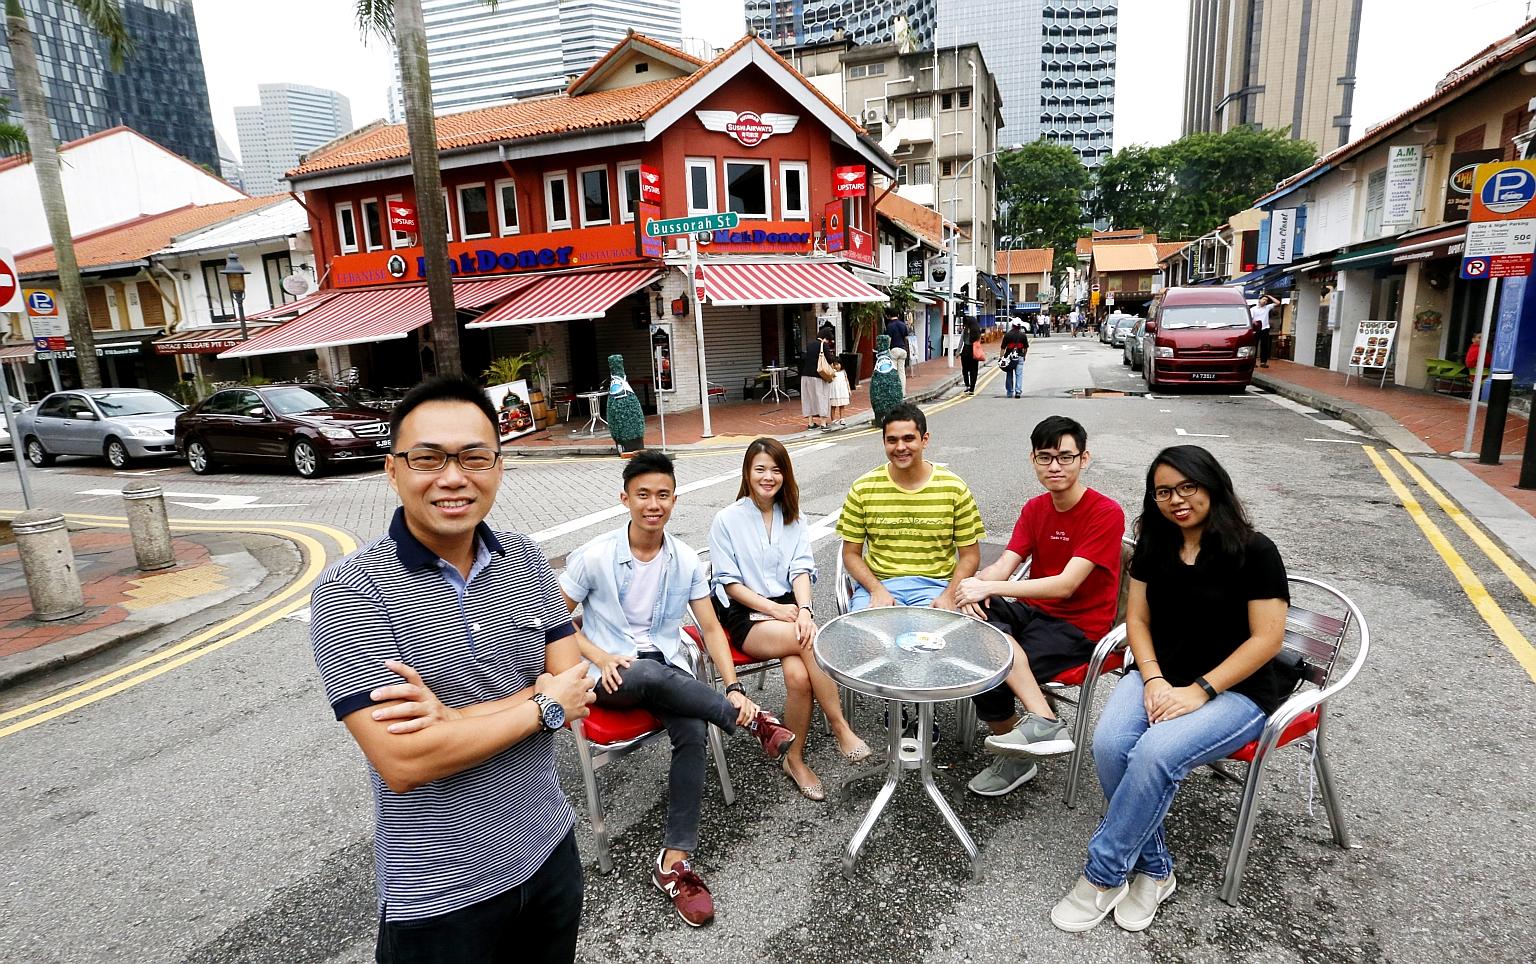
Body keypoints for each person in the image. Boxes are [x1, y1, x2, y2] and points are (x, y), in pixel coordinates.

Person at [308, 375, 598, 964]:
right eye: (427, 458)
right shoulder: (350, 587)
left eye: (473, 456)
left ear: (498, 464)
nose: (452, 476)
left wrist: (455, 720)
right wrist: (537, 703)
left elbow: (576, 691)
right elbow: (407, 760)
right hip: (437, 891)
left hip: (549, 852)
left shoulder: (526, 555)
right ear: (393, 471)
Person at [1050, 445, 1289, 933]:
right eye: (1163, 492)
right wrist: (1154, 677)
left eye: (1187, 487)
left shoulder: (1254, 550)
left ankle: (1103, 874)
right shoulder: (1155, 545)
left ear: (1212, 487)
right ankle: (1157, 870)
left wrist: (1200, 690)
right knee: (1111, 743)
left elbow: (1268, 638)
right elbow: (1137, 619)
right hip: (1160, 674)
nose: (1176, 500)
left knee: (1155, 752)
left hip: (1236, 691)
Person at [560, 450, 795, 928]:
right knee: (641, 671)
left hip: (664, 667)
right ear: (625, 498)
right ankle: (751, 722)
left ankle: (674, 863)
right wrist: (601, 656)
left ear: (674, 500)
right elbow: (553, 620)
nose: (654, 504)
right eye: (643, 495)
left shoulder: (684, 559)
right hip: (608, 674)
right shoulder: (596, 555)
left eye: (663, 495)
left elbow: (710, 630)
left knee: (689, 727)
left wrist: (732, 685)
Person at [953, 416, 1126, 797]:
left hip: (1081, 629)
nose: (1055, 467)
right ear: (1033, 459)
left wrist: (991, 586)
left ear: (1084, 459)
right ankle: (1034, 729)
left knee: (988, 661)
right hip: (1036, 613)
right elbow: (1005, 563)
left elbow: (1066, 586)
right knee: (972, 630)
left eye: (1065, 457)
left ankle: (1033, 736)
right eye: (1045, 457)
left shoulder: (1105, 513)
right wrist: (974, 588)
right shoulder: (1035, 509)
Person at [709, 438, 872, 800]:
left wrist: (805, 610)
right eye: (760, 469)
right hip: (746, 615)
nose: (769, 477)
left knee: (799, 676)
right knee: (810, 640)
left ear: (786, 474)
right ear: (748, 473)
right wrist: (778, 611)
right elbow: (731, 584)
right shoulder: (727, 519)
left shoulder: (793, 516)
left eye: (776, 469)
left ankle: (793, 759)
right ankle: (839, 725)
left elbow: (801, 571)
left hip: (787, 609)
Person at [839, 402, 985, 612]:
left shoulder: (954, 488)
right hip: (879, 586)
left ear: (924, 440)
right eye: (892, 440)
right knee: (865, 641)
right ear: (884, 442)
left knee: (935, 641)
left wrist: (950, 594)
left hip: (937, 586)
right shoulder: (863, 488)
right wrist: (876, 589)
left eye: (908, 438)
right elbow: (850, 554)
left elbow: (970, 555)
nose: (900, 447)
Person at [798, 329, 832, 430]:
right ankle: (823, 423)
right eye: (829, 340)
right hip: (818, 375)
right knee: (822, 397)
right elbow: (829, 359)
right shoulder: (823, 345)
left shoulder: (810, 344)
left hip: (805, 375)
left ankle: (810, 423)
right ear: (826, 338)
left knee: (808, 398)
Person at [1000, 318, 1030, 399]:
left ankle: (1009, 392)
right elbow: (1026, 348)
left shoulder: (1007, 335)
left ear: (1012, 325)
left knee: (1009, 374)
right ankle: (1018, 391)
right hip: (1019, 356)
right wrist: (1024, 356)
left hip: (1009, 358)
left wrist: (1001, 358)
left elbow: (1003, 348)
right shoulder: (1023, 335)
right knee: (1019, 375)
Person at [884, 311, 910, 393]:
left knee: (894, 372)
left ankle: (894, 392)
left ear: (888, 316)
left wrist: (887, 350)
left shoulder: (890, 326)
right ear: (898, 315)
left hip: (894, 350)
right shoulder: (903, 324)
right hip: (903, 350)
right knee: (901, 372)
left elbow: (889, 339)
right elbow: (906, 338)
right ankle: (903, 392)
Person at [1252, 295, 1277, 368]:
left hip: (1265, 328)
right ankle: (1253, 362)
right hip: (1256, 329)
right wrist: (1254, 323)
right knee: (1255, 346)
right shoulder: (1253, 309)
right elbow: (1251, 318)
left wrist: (1270, 296)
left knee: (1264, 346)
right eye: (1263, 299)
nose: (1265, 301)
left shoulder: (1267, 307)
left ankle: (1263, 362)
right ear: (1259, 300)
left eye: (1266, 300)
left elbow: (1277, 302)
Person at [960, 318, 983, 395]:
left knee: (965, 370)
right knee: (974, 370)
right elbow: (979, 342)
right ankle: (972, 389)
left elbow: (961, 341)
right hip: (974, 352)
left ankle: (967, 385)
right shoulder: (977, 331)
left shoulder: (965, 330)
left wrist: (957, 351)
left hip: (965, 352)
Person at [828, 359, 851, 427]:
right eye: (835, 364)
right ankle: (833, 419)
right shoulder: (832, 372)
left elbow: (846, 380)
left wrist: (848, 389)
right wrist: (832, 370)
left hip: (842, 390)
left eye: (838, 364)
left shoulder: (843, 372)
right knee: (833, 406)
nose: (837, 366)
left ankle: (842, 418)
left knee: (842, 405)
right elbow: (829, 379)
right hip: (834, 391)